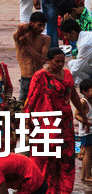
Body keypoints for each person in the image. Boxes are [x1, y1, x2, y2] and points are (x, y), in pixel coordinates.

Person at [24, 47, 87, 193]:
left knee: (66, 156)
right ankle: (43, 187)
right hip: (45, 123)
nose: (59, 64)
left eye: (62, 62)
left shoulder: (66, 74)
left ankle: (63, 189)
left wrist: (83, 116)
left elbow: (74, 96)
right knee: (46, 157)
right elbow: (31, 100)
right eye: (56, 61)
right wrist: (26, 122)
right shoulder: (39, 76)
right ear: (48, 61)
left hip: (65, 123)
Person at [14, 12, 50, 101]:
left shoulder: (45, 39)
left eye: (43, 26)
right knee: (22, 106)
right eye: (39, 25)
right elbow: (20, 26)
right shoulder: (20, 36)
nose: (42, 29)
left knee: (40, 105)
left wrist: (26, 46)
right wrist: (27, 27)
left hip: (39, 77)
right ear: (31, 24)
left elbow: (42, 60)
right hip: (26, 77)